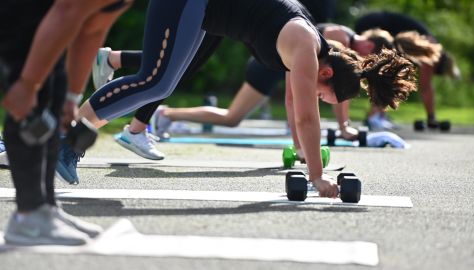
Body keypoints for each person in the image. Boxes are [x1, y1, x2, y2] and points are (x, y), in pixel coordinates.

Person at [59, 0, 417, 198]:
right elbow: (309, 118)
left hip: (204, 14)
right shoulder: (307, 48)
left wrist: (307, 161)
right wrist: (318, 177)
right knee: (154, 80)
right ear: (326, 75)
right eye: (327, 96)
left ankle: (71, 136)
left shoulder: (307, 46)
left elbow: (299, 113)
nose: (321, 100)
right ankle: (68, 139)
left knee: (163, 82)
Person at [91, 23, 375, 162]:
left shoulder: (317, 45)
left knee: (178, 67)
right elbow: (294, 104)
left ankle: (116, 63)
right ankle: (132, 126)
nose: (318, 101)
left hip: (243, 30)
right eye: (322, 97)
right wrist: (305, 154)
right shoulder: (315, 46)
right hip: (247, 42)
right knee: (174, 70)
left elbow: (297, 103)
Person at [0, 0, 130, 246]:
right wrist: (27, 85)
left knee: (54, 101)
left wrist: (71, 98)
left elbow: (92, 29)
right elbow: (68, 10)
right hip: (19, 12)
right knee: (33, 103)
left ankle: (45, 208)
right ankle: (28, 216)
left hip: (50, 18)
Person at [354, 11, 461, 130]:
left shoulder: (429, 43)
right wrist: (431, 118)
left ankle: (377, 116)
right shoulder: (432, 51)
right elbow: (425, 87)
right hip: (374, 24)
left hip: (370, 21)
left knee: (387, 72)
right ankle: (374, 117)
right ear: (438, 67)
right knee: (386, 74)